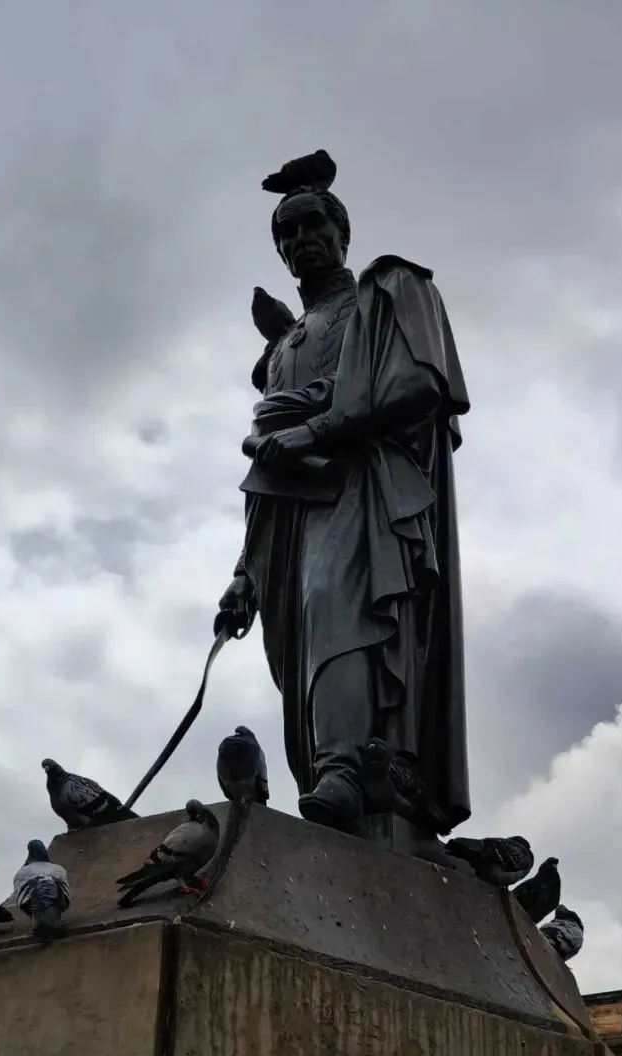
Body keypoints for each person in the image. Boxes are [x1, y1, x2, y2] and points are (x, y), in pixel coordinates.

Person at [215, 150, 471, 836]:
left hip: (361, 484)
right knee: (298, 650)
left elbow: (418, 386)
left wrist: (316, 429)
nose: (300, 240)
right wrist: (244, 572)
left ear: (342, 233)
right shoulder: (283, 347)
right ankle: (330, 772)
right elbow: (268, 463)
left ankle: (347, 766)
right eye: (286, 233)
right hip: (286, 515)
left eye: (312, 226)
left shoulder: (382, 295)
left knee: (338, 605)